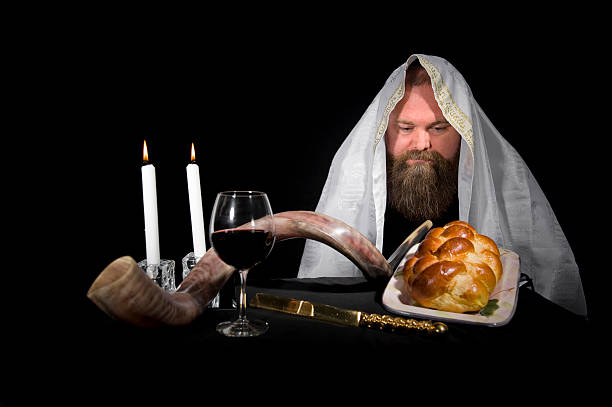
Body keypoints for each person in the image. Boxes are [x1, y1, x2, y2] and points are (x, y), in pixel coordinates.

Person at [297, 54, 587, 317]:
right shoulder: (361, 192)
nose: (423, 144)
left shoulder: (504, 191)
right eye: (406, 128)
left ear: (463, 133)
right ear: (384, 131)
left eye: (438, 128)